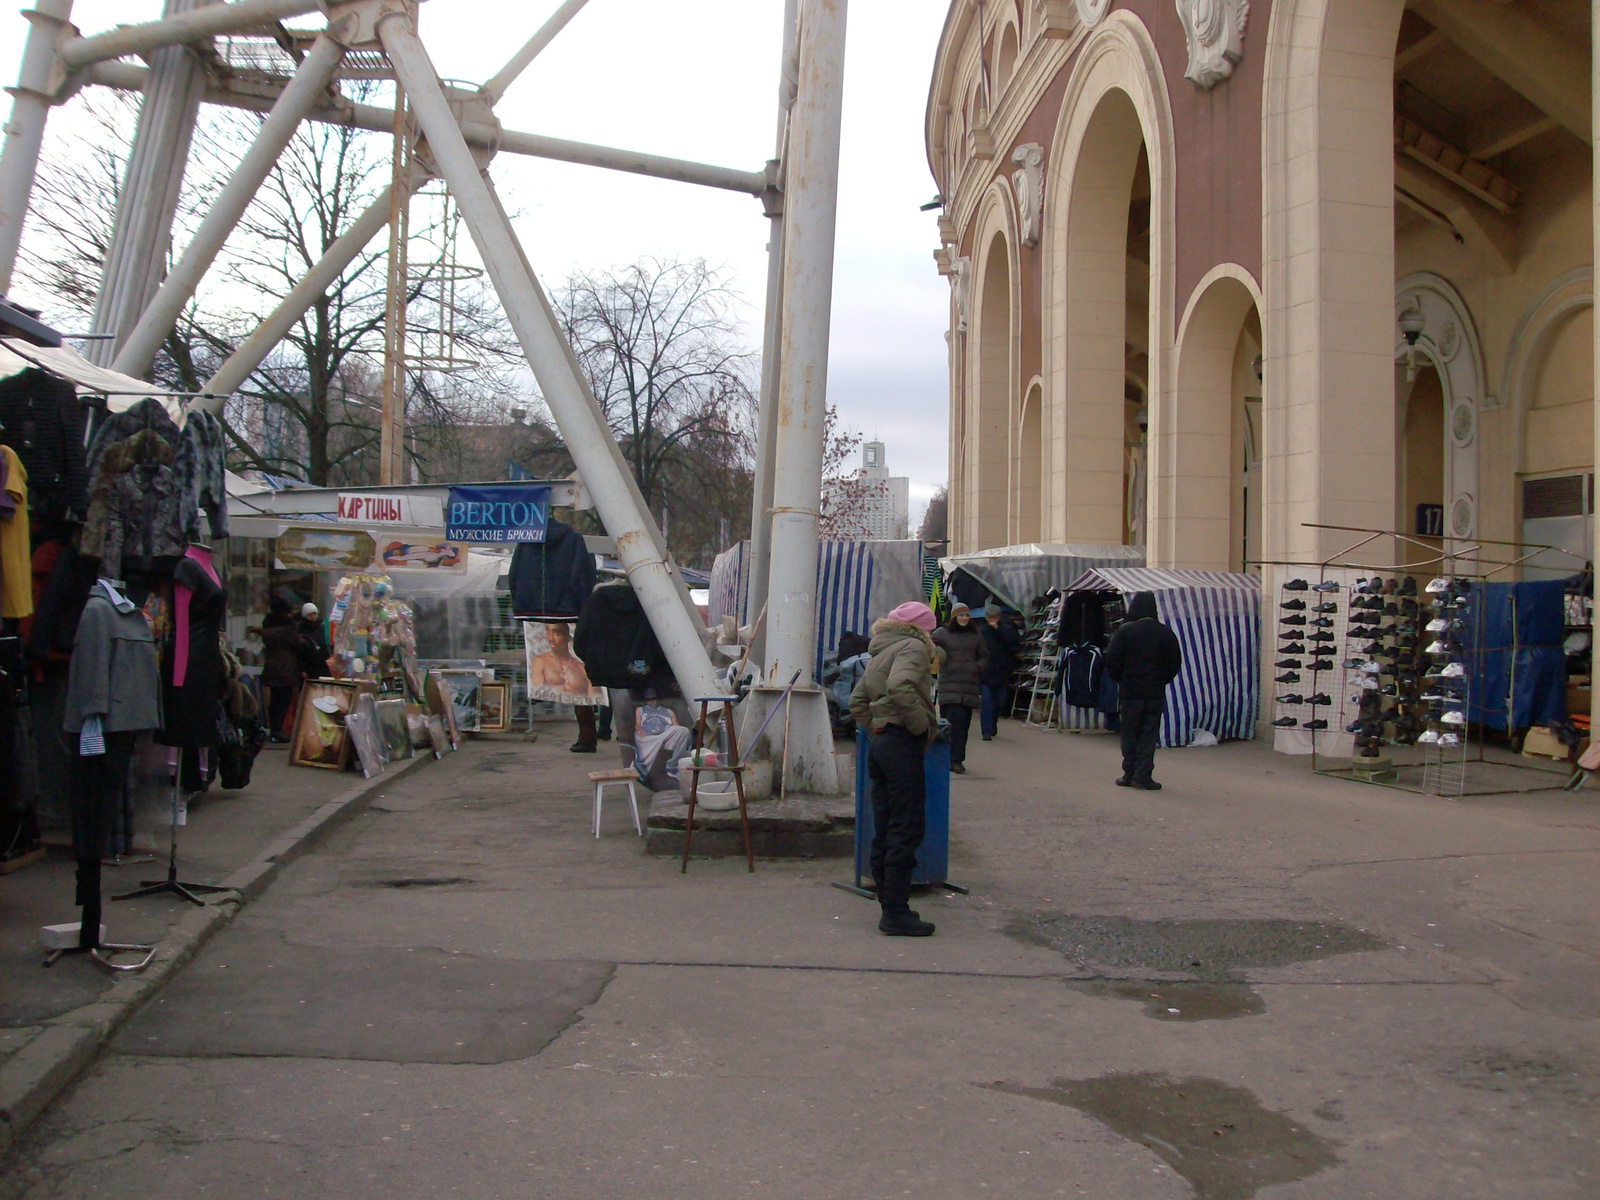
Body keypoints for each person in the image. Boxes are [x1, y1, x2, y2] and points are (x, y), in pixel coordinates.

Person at [849, 600, 940, 938]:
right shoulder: (914, 647)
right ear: (922, 629)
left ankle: (889, 903)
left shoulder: (881, 651)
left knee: (886, 824)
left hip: (882, 745)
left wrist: (877, 726)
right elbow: (901, 686)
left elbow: (858, 701)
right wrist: (919, 726)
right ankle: (896, 913)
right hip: (901, 744)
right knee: (907, 825)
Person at [1103, 591, 1183, 790]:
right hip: (1155, 692)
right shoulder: (1165, 633)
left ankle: (1128, 773)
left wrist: (1121, 679)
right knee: (1149, 733)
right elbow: (1175, 662)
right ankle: (1143, 775)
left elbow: (1112, 660)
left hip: (1130, 691)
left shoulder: (1124, 631)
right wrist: (1162, 679)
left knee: (1130, 732)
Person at [931, 601, 986, 773]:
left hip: (968, 688)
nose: (964, 618)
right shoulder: (943, 633)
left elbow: (984, 656)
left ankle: (956, 759)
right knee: (952, 723)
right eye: (961, 615)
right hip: (949, 686)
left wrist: (976, 667)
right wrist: (937, 654)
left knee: (963, 726)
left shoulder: (976, 635)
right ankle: (948, 758)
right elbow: (927, 642)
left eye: (966, 615)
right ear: (954, 617)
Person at [260, 599, 308, 744]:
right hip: (285, 668)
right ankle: (278, 731)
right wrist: (306, 641)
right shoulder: (287, 629)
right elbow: (299, 644)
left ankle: (274, 730)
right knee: (284, 700)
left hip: (272, 667)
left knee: (275, 700)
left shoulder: (268, 628)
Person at [977, 605, 1021, 740]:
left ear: (999, 617)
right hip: (986, 672)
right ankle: (986, 731)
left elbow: (1014, 646)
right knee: (986, 702)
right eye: (990, 617)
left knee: (1000, 702)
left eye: (995, 617)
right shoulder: (981, 631)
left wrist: (999, 630)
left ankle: (993, 721)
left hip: (1002, 672)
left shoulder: (1008, 629)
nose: (992, 620)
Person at [297, 602, 329, 681]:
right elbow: (298, 652)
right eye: (309, 615)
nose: (312, 617)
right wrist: (301, 669)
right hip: (308, 666)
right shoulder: (301, 630)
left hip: (323, 665)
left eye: (314, 614)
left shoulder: (322, 628)